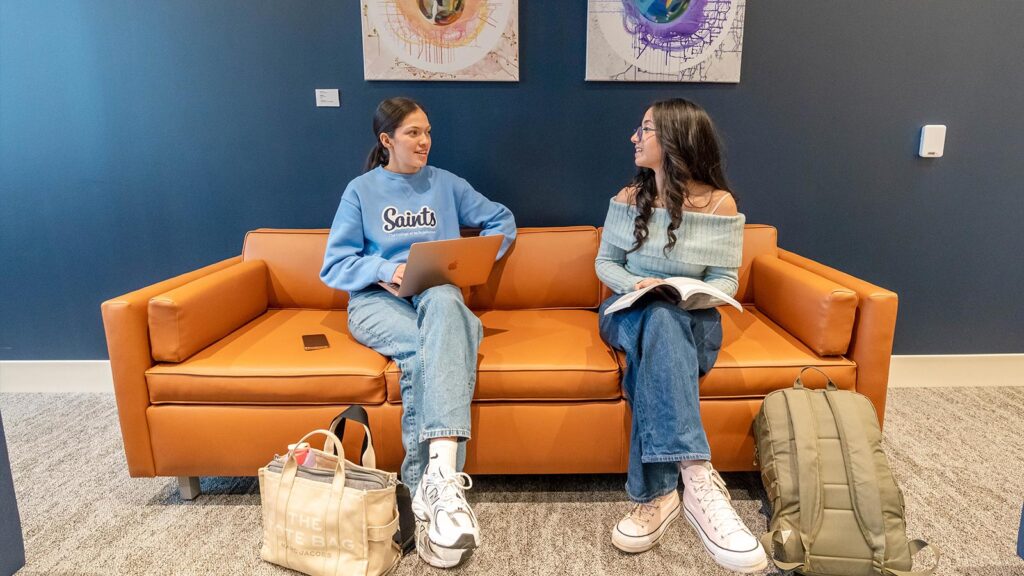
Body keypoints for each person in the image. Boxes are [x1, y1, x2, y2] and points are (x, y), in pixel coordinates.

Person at [320, 97, 516, 568]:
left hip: (436, 296)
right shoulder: (362, 190)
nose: (424, 141)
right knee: (446, 340)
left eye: (427, 131)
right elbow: (334, 264)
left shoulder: (446, 184)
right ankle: (436, 485)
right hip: (376, 302)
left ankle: (427, 484)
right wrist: (387, 267)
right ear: (386, 140)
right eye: (412, 133)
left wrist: (475, 260)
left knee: (447, 304)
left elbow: (501, 220)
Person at [595, 98, 767, 573]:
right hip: (625, 311)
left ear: (674, 139)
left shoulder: (719, 204)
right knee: (656, 316)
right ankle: (697, 478)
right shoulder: (629, 198)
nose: (635, 136)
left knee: (666, 322)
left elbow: (726, 282)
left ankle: (659, 496)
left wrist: (688, 293)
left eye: (645, 128)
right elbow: (605, 264)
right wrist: (639, 286)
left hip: (692, 318)